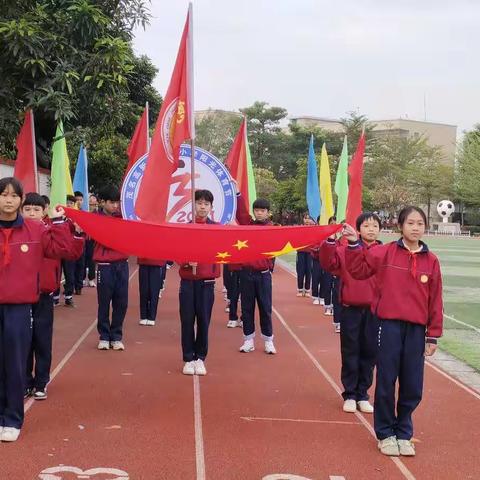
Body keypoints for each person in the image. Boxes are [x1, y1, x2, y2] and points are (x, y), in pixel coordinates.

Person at [343, 206, 443, 457]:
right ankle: (386, 433)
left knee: (412, 384)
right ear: (400, 226)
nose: (416, 227)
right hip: (388, 326)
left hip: (416, 330)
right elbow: (357, 271)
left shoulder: (431, 261)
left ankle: (404, 432)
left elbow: (435, 299)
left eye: (420, 223)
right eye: (410, 223)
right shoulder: (385, 252)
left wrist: (433, 334)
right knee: (386, 380)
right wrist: (354, 245)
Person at [0, 177, 73, 442]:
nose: (8, 200)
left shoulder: (34, 231)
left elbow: (65, 250)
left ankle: (12, 418)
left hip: (18, 308)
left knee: (15, 363)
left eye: (13, 195)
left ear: (20, 201)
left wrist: (59, 222)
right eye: (3, 194)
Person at [22, 193, 85, 401]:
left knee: (41, 340)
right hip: (20, 297)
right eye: (28, 209)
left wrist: (66, 227)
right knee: (21, 341)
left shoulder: (49, 231)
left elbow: (68, 251)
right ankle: (23, 381)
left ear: (44, 212)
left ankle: (40, 382)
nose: (32, 214)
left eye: (36, 210)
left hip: (43, 296)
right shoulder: (16, 233)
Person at [320, 212, 382, 414]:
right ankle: (350, 394)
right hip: (351, 309)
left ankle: (363, 394)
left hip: (374, 312)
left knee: (370, 353)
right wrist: (330, 240)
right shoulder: (345, 250)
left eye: (374, 226)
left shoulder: (384, 252)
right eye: (366, 226)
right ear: (358, 229)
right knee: (350, 352)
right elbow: (329, 264)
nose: (371, 229)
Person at [178, 190, 220, 376]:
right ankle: (188, 358)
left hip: (207, 282)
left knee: (203, 321)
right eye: (199, 203)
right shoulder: (186, 228)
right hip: (188, 282)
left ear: (211, 207)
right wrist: (187, 261)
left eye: (206, 204)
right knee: (187, 321)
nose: (202, 206)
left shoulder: (217, 229)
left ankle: (200, 358)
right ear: (193, 205)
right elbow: (177, 252)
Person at [236, 196, 276, 354]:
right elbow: (240, 213)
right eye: (257, 210)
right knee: (247, 308)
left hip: (263, 275)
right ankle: (248, 340)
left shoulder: (272, 229)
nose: (259, 213)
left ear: (268, 213)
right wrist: (238, 194)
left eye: (262, 211)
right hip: (246, 274)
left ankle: (268, 340)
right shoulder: (248, 225)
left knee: (265, 308)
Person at [94, 186, 129, 351]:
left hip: (122, 265)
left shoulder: (124, 217)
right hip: (104, 266)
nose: (115, 206)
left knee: (121, 302)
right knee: (104, 302)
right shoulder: (94, 218)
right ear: (103, 202)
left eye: (117, 202)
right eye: (112, 202)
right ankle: (104, 335)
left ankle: (116, 336)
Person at [138, 257, 165, 326]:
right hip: (143, 260)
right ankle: (143, 315)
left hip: (157, 262)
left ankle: (152, 317)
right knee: (144, 290)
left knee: (154, 291)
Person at [295, 213, 315, 297]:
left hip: (310, 253)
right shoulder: (299, 229)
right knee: (300, 271)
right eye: (305, 218)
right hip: (301, 252)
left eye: (308, 218)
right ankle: (300, 289)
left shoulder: (314, 229)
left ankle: (307, 290)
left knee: (308, 271)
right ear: (303, 220)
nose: (307, 220)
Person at [83, 193, 98, 287]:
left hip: (93, 240)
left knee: (92, 259)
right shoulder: (84, 212)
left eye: (93, 201)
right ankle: (82, 278)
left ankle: (91, 279)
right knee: (83, 259)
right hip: (84, 239)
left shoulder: (98, 214)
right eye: (90, 200)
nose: (92, 202)